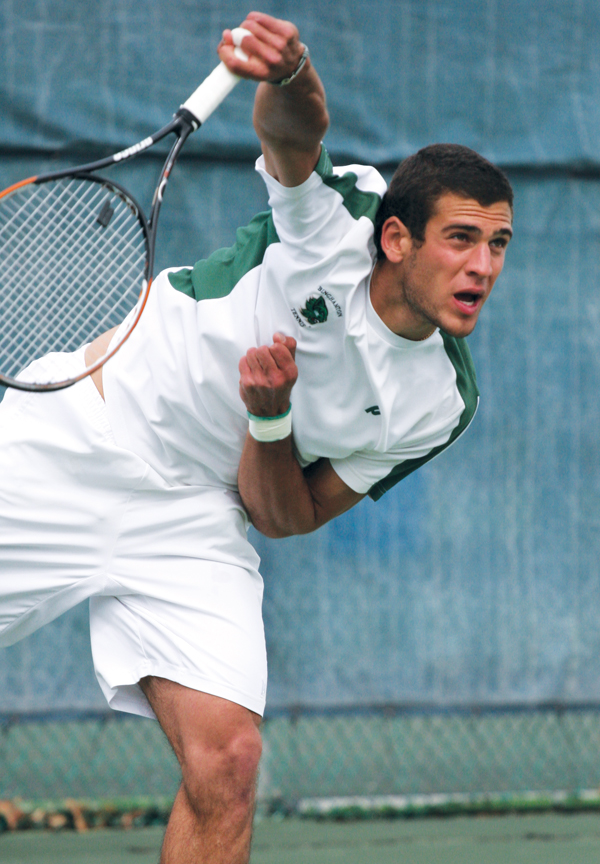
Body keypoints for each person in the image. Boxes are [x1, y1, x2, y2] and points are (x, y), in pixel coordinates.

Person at [0, 11, 514, 863]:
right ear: (396, 240)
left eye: (497, 245)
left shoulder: (440, 402)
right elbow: (293, 135)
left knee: (229, 763)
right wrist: (289, 70)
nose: (483, 266)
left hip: (193, 515)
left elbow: (286, 515)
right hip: (79, 434)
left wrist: (269, 419)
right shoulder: (339, 225)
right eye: (461, 239)